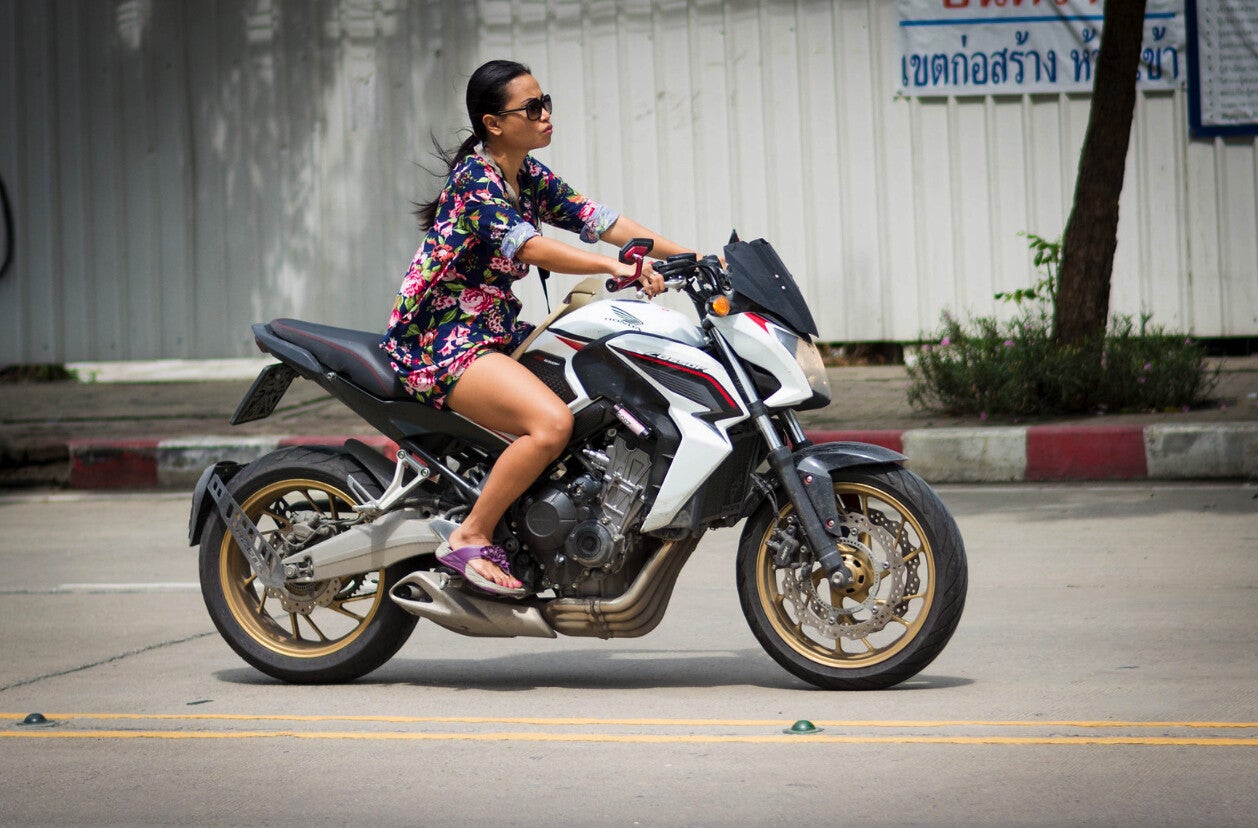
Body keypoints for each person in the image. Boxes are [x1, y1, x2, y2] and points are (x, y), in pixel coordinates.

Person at [381, 59, 695, 596]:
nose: (546, 114)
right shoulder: (475, 181)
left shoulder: (526, 175)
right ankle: (469, 535)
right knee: (550, 425)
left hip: (493, 328)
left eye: (545, 102)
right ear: (494, 123)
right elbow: (528, 246)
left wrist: (693, 256)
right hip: (442, 338)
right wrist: (614, 266)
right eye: (532, 107)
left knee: (597, 386)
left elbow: (600, 220)